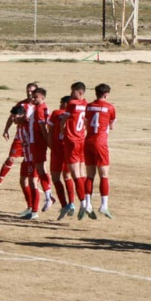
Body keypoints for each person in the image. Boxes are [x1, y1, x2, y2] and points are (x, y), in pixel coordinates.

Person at [0, 83, 37, 191]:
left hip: (33, 139)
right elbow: (12, 117)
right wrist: (6, 130)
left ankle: (35, 184)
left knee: (32, 162)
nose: (29, 93)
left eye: (31, 91)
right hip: (20, 137)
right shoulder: (21, 104)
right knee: (11, 158)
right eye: (27, 90)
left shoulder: (39, 106)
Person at [59, 82, 92, 219]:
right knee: (82, 172)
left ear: (80, 92)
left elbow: (63, 121)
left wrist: (62, 129)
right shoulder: (88, 105)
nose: (71, 94)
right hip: (82, 140)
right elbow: (86, 122)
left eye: (73, 91)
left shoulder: (72, 103)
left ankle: (83, 203)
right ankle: (88, 202)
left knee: (75, 175)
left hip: (71, 141)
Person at [85, 83, 118, 218]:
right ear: (106, 94)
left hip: (88, 141)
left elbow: (87, 122)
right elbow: (111, 126)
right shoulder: (110, 107)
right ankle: (104, 205)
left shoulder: (89, 106)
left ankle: (87, 203)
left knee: (90, 175)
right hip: (101, 143)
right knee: (104, 174)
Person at [49, 95, 75, 220]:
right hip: (69, 148)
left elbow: (49, 130)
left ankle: (64, 205)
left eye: (61, 102)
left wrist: (50, 145)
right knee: (67, 176)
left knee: (55, 177)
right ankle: (72, 203)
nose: (60, 104)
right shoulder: (75, 114)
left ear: (66, 104)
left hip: (57, 149)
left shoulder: (56, 113)